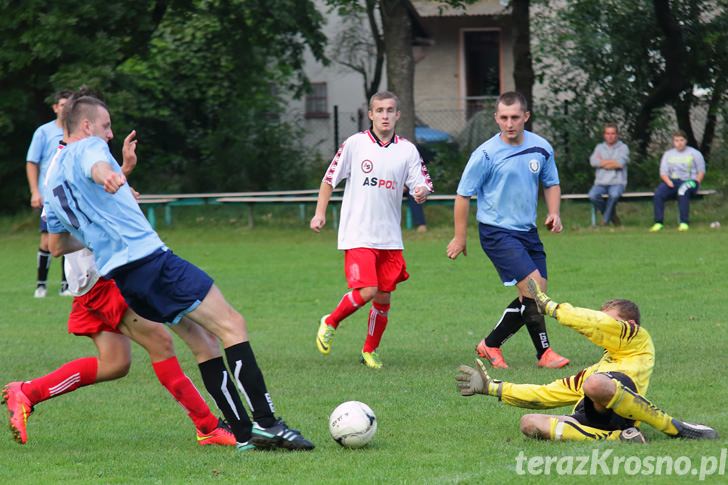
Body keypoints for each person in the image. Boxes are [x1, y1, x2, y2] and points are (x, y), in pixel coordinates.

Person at [42, 95, 313, 451]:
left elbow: (56, 245)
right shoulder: (89, 148)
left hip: (128, 282)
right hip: (153, 264)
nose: (109, 135)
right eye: (106, 126)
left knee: (203, 343)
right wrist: (108, 174)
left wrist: (119, 176)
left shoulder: (53, 181)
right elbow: (94, 163)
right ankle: (267, 423)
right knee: (233, 325)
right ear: (88, 126)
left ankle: (244, 435)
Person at [455, 278, 719, 442]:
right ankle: (618, 439)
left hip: (621, 410)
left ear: (628, 324)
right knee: (529, 423)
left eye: (609, 319)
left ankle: (671, 426)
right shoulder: (595, 369)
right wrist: (493, 388)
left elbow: (595, 323)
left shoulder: (639, 341)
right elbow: (547, 393)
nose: (602, 324)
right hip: (593, 419)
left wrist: (550, 307)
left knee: (595, 384)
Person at [310, 90, 433, 369]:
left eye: (390, 110)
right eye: (380, 110)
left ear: (398, 115)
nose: (385, 115)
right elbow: (329, 180)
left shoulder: (407, 150)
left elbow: (421, 182)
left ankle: (369, 350)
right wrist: (319, 214)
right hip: (358, 232)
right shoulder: (355, 144)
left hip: (389, 236)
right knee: (367, 289)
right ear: (371, 114)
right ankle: (330, 321)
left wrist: (421, 192)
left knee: (383, 297)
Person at [446, 91, 569, 370]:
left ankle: (491, 344)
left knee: (536, 296)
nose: (509, 123)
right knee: (535, 289)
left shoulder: (541, 147)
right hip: (497, 231)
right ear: (496, 118)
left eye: (515, 117)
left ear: (526, 116)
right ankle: (545, 354)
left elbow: (551, 183)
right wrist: (460, 236)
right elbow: (463, 195)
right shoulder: (486, 154)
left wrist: (554, 212)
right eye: (504, 117)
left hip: (528, 231)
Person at [26, 90, 73, 298]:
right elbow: (32, 162)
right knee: (47, 240)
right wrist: (35, 191)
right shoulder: (43, 132)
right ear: (55, 107)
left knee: (71, 235)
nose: (65, 108)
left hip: (71, 195)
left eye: (69, 104)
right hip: (50, 196)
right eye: (61, 104)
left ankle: (66, 284)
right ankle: (41, 284)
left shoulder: (77, 131)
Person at [650, 130, 706, 232]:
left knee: (682, 191)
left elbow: (701, 171)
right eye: (676, 140)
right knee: (658, 194)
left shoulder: (695, 153)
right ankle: (658, 222)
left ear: (686, 141)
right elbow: (663, 172)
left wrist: (696, 182)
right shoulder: (668, 154)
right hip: (672, 181)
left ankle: (684, 222)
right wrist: (668, 182)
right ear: (673, 142)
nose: (679, 143)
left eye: (681, 140)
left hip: (690, 182)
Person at [588, 123, 629, 226]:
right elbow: (593, 162)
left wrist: (603, 162)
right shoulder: (599, 147)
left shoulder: (623, 148)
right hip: (600, 182)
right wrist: (612, 162)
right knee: (592, 195)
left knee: (614, 195)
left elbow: (620, 164)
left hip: (617, 182)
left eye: (612, 133)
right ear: (604, 135)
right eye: (608, 133)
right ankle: (612, 216)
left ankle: (605, 220)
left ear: (617, 135)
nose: (610, 136)